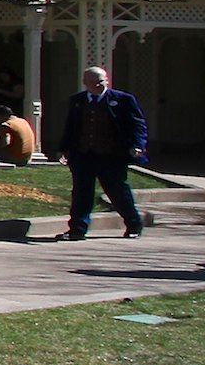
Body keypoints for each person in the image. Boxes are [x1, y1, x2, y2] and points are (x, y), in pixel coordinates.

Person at [56, 66, 148, 240]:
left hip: (111, 155)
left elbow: (138, 125)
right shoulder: (77, 101)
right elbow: (70, 127)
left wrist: (138, 145)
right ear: (85, 83)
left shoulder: (123, 100)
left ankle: (134, 224)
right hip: (83, 154)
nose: (97, 85)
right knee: (81, 193)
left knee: (118, 192)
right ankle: (77, 229)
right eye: (92, 82)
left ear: (106, 81)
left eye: (100, 81)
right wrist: (63, 149)